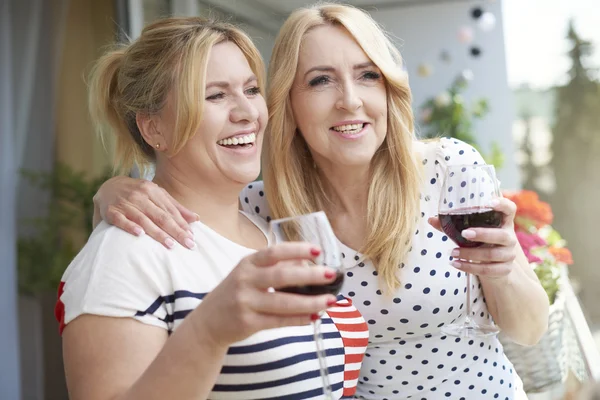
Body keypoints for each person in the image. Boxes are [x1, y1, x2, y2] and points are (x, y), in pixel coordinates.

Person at [92, 3, 549, 399]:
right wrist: (112, 192)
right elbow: (184, 200)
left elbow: (529, 331)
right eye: (321, 81)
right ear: (288, 102)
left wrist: (506, 270)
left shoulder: (449, 169)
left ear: (388, 89)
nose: (350, 100)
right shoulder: (262, 209)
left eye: (367, 75)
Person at [55, 16, 369, 400]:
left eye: (251, 89)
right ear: (154, 129)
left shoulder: (274, 222)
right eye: (216, 96)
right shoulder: (124, 255)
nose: (247, 113)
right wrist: (208, 331)